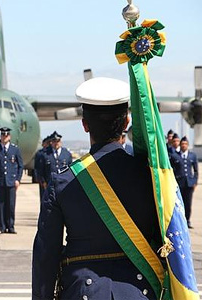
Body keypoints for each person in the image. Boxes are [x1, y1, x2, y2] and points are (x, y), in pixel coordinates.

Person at [32, 77, 161, 299]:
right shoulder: (150, 176)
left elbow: (47, 254)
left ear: (84, 124)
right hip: (139, 292)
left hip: (82, 290)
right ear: (126, 122)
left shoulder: (64, 181)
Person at [0, 127, 23, 234]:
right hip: (0, 182)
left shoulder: (15, 150)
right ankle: (1, 226)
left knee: (11, 205)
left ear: (9, 137)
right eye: (3, 135)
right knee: (0, 205)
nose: (4, 137)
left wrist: (18, 179)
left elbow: (20, 166)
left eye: (6, 135)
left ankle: (10, 226)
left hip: (11, 181)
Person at [175, 136, 199, 229]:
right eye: (182, 144)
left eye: (185, 144)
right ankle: (181, 221)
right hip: (179, 184)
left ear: (188, 145)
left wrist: (195, 182)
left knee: (188, 204)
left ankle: (187, 221)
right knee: (180, 203)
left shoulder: (192, 156)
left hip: (189, 184)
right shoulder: (175, 155)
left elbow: (196, 170)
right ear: (180, 145)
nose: (184, 146)